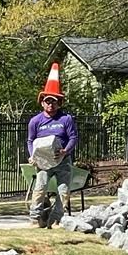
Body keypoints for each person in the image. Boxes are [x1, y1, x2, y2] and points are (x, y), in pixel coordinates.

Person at [27, 63, 78, 228]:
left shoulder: (66, 119)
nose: (50, 104)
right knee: (40, 188)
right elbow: (30, 141)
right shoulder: (35, 121)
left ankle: (56, 219)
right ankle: (35, 218)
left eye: (54, 101)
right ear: (42, 102)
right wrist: (32, 156)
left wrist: (65, 151)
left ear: (59, 103)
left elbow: (73, 137)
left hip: (63, 161)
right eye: (47, 101)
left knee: (63, 191)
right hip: (43, 162)